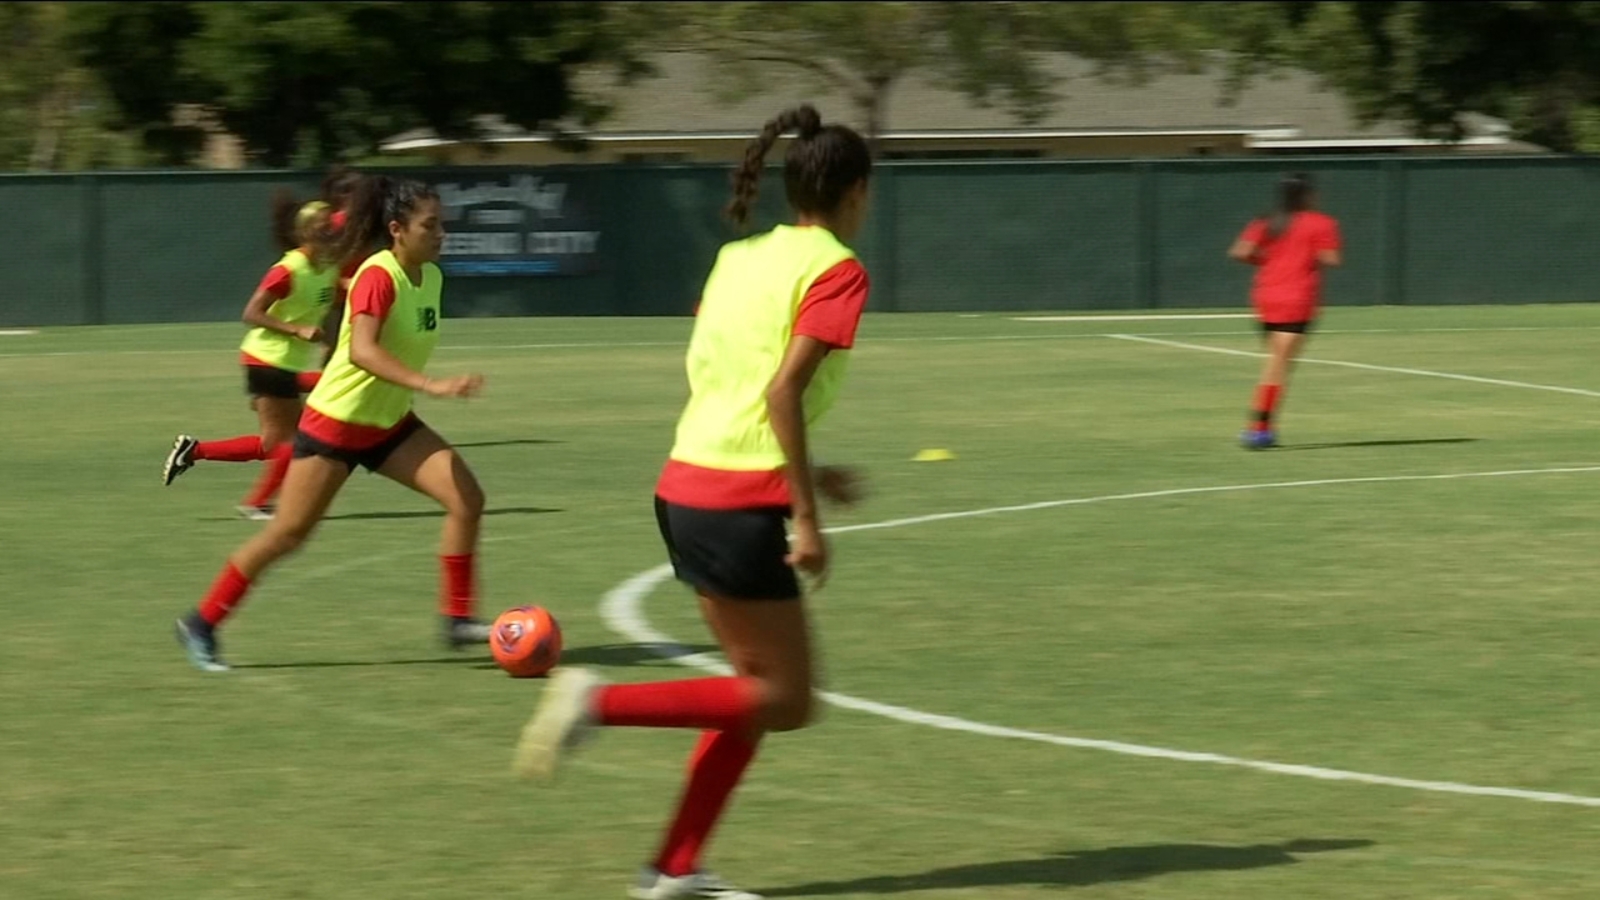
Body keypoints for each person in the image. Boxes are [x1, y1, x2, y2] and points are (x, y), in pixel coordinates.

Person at [514, 104, 872, 900]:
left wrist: (810, 475)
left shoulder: (738, 258)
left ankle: (673, 867)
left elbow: (731, 382)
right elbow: (780, 390)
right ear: (856, 192)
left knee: (746, 689)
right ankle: (595, 701)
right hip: (737, 501)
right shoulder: (838, 269)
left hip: (687, 484)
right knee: (787, 698)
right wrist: (806, 519)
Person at [173, 176, 493, 672]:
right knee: (287, 535)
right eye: (430, 225)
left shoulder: (431, 277)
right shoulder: (377, 275)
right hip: (337, 426)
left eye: (442, 223)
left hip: (387, 424)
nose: (441, 233)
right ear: (397, 229)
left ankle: (456, 621)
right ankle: (201, 622)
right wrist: (431, 385)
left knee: (467, 499)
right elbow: (363, 351)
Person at [161, 191, 343, 518]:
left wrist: (331, 343)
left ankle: (195, 451)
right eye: (321, 227)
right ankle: (257, 503)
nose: (329, 231)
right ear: (304, 233)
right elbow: (252, 313)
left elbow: (328, 311)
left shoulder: (328, 270)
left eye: (331, 226)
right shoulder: (289, 269)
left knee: (273, 443)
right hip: (267, 359)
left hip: (286, 364)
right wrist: (295, 330)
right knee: (295, 440)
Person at [1228, 172, 1343, 449]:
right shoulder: (1322, 223)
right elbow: (1332, 258)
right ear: (1308, 195)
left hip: (1266, 297)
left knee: (1276, 362)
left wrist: (1268, 259)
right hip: (1297, 299)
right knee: (1278, 366)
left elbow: (1240, 252)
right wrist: (1305, 254)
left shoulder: (1266, 221)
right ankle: (1259, 428)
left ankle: (1264, 427)